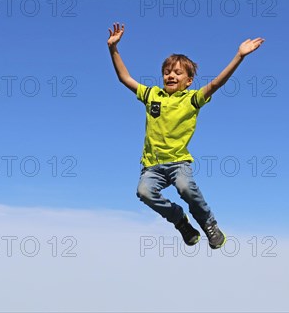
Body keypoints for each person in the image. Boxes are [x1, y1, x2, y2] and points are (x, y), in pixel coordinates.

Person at [107, 22, 265, 249]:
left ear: (188, 80)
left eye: (178, 72)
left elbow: (217, 83)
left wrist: (239, 56)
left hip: (178, 162)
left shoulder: (192, 99)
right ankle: (180, 221)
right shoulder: (152, 95)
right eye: (167, 72)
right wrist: (113, 48)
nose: (171, 75)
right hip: (152, 166)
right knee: (144, 192)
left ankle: (208, 223)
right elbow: (125, 78)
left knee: (185, 188)